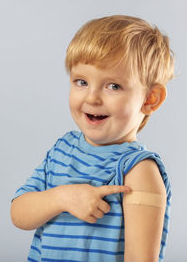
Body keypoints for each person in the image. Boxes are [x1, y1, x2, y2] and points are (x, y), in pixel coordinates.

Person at [11, 14, 174, 262]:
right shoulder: (62, 149)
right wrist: (63, 197)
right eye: (82, 82)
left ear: (150, 99)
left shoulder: (139, 170)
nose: (92, 98)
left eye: (113, 86)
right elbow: (19, 213)